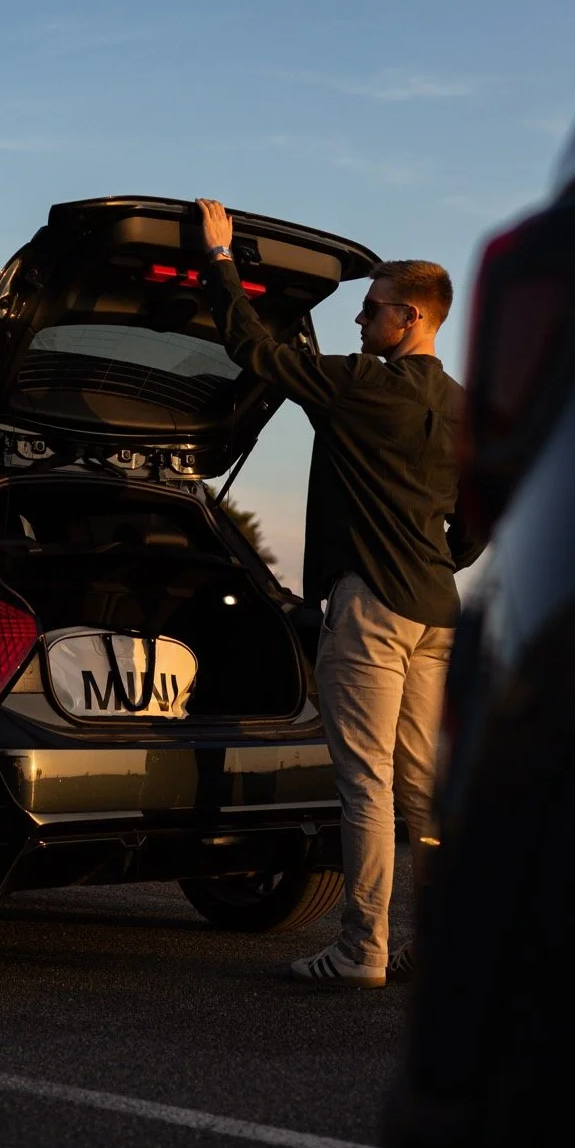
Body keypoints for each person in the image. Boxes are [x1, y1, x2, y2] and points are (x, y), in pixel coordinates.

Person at [197, 199, 484, 988]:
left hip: (372, 613)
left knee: (367, 786)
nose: (360, 321)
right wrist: (440, 556)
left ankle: (361, 948)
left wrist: (221, 260)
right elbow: (482, 515)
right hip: (435, 611)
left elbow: (255, 352)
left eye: (371, 308)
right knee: (423, 789)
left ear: (411, 316)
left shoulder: (363, 387)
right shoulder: (462, 408)